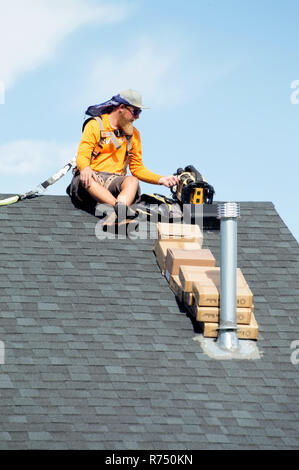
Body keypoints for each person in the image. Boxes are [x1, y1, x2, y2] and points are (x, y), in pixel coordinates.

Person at [68, 89, 180, 221]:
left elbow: (137, 168)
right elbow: (83, 153)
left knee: (132, 180)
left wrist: (161, 179)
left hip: (113, 182)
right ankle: (120, 209)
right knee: (88, 178)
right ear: (121, 108)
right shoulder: (96, 125)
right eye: (135, 112)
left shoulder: (133, 135)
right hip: (90, 181)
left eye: (139, 112)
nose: (137, 117)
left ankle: (120, 212)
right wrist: (85, 168)